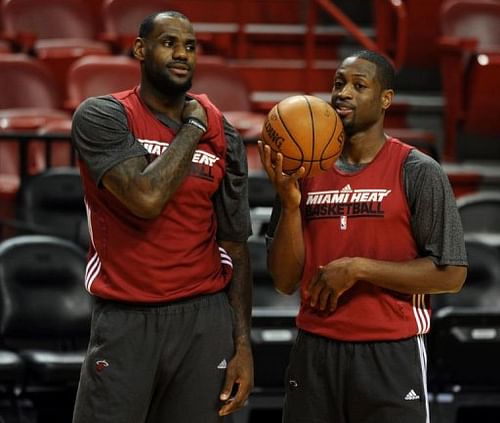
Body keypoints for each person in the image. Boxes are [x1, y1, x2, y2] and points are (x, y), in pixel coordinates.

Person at [258, 49, 468, 423]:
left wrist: (359, 269)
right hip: (315, 350)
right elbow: (285, 280)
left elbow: (451, 275)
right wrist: (291, 205)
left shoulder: (418, 170)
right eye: (338, 83)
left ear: (386, 99)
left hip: (389, 353)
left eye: (359, 85)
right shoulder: (302, 170)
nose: (343, 93)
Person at [71, 11, 253, 423]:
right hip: (127, 316)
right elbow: (145, 197)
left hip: (204, 319)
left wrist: (242, 344)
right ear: (140, 49)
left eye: (190, 46)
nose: (182, 54)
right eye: (169, 42)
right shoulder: (103, 116)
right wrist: (192, 128)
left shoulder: (225, 134)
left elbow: (235, 244)